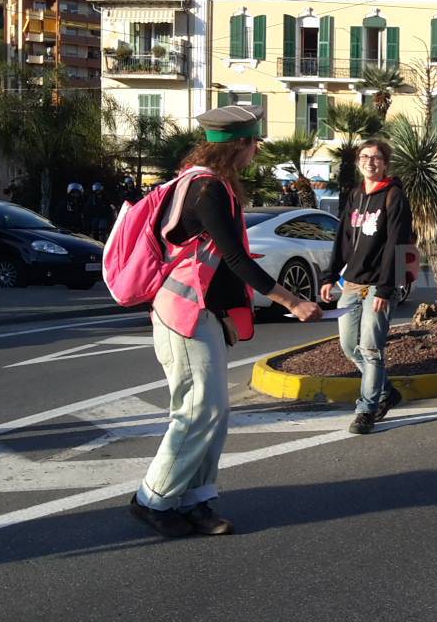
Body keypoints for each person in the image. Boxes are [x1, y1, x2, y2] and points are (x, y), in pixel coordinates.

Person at [132, 105, 323, 538]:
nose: (256, 152)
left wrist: (224, 314)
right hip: (183, 313)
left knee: (211, 411)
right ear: (239, 144)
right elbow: (234, 258)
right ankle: (154, 498)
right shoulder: (206, 189)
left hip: (201, 312)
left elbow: (217, 261)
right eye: (254, 143)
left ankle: (198, 500)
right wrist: (291, 301)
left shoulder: (204, 183)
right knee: (200, 408)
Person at [320, 139, 413, 435]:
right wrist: (329, 275)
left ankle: (366, 409)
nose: (369, 162)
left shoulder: (394, 195)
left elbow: (396, 244)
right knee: (350, 346)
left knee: (371, 349)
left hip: (378, 286)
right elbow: (343, 239)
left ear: (385, 163)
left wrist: (386, 288)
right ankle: (386, 390)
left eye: (376, 157)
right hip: (352, 283)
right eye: (364, 156)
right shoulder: (355, 194)